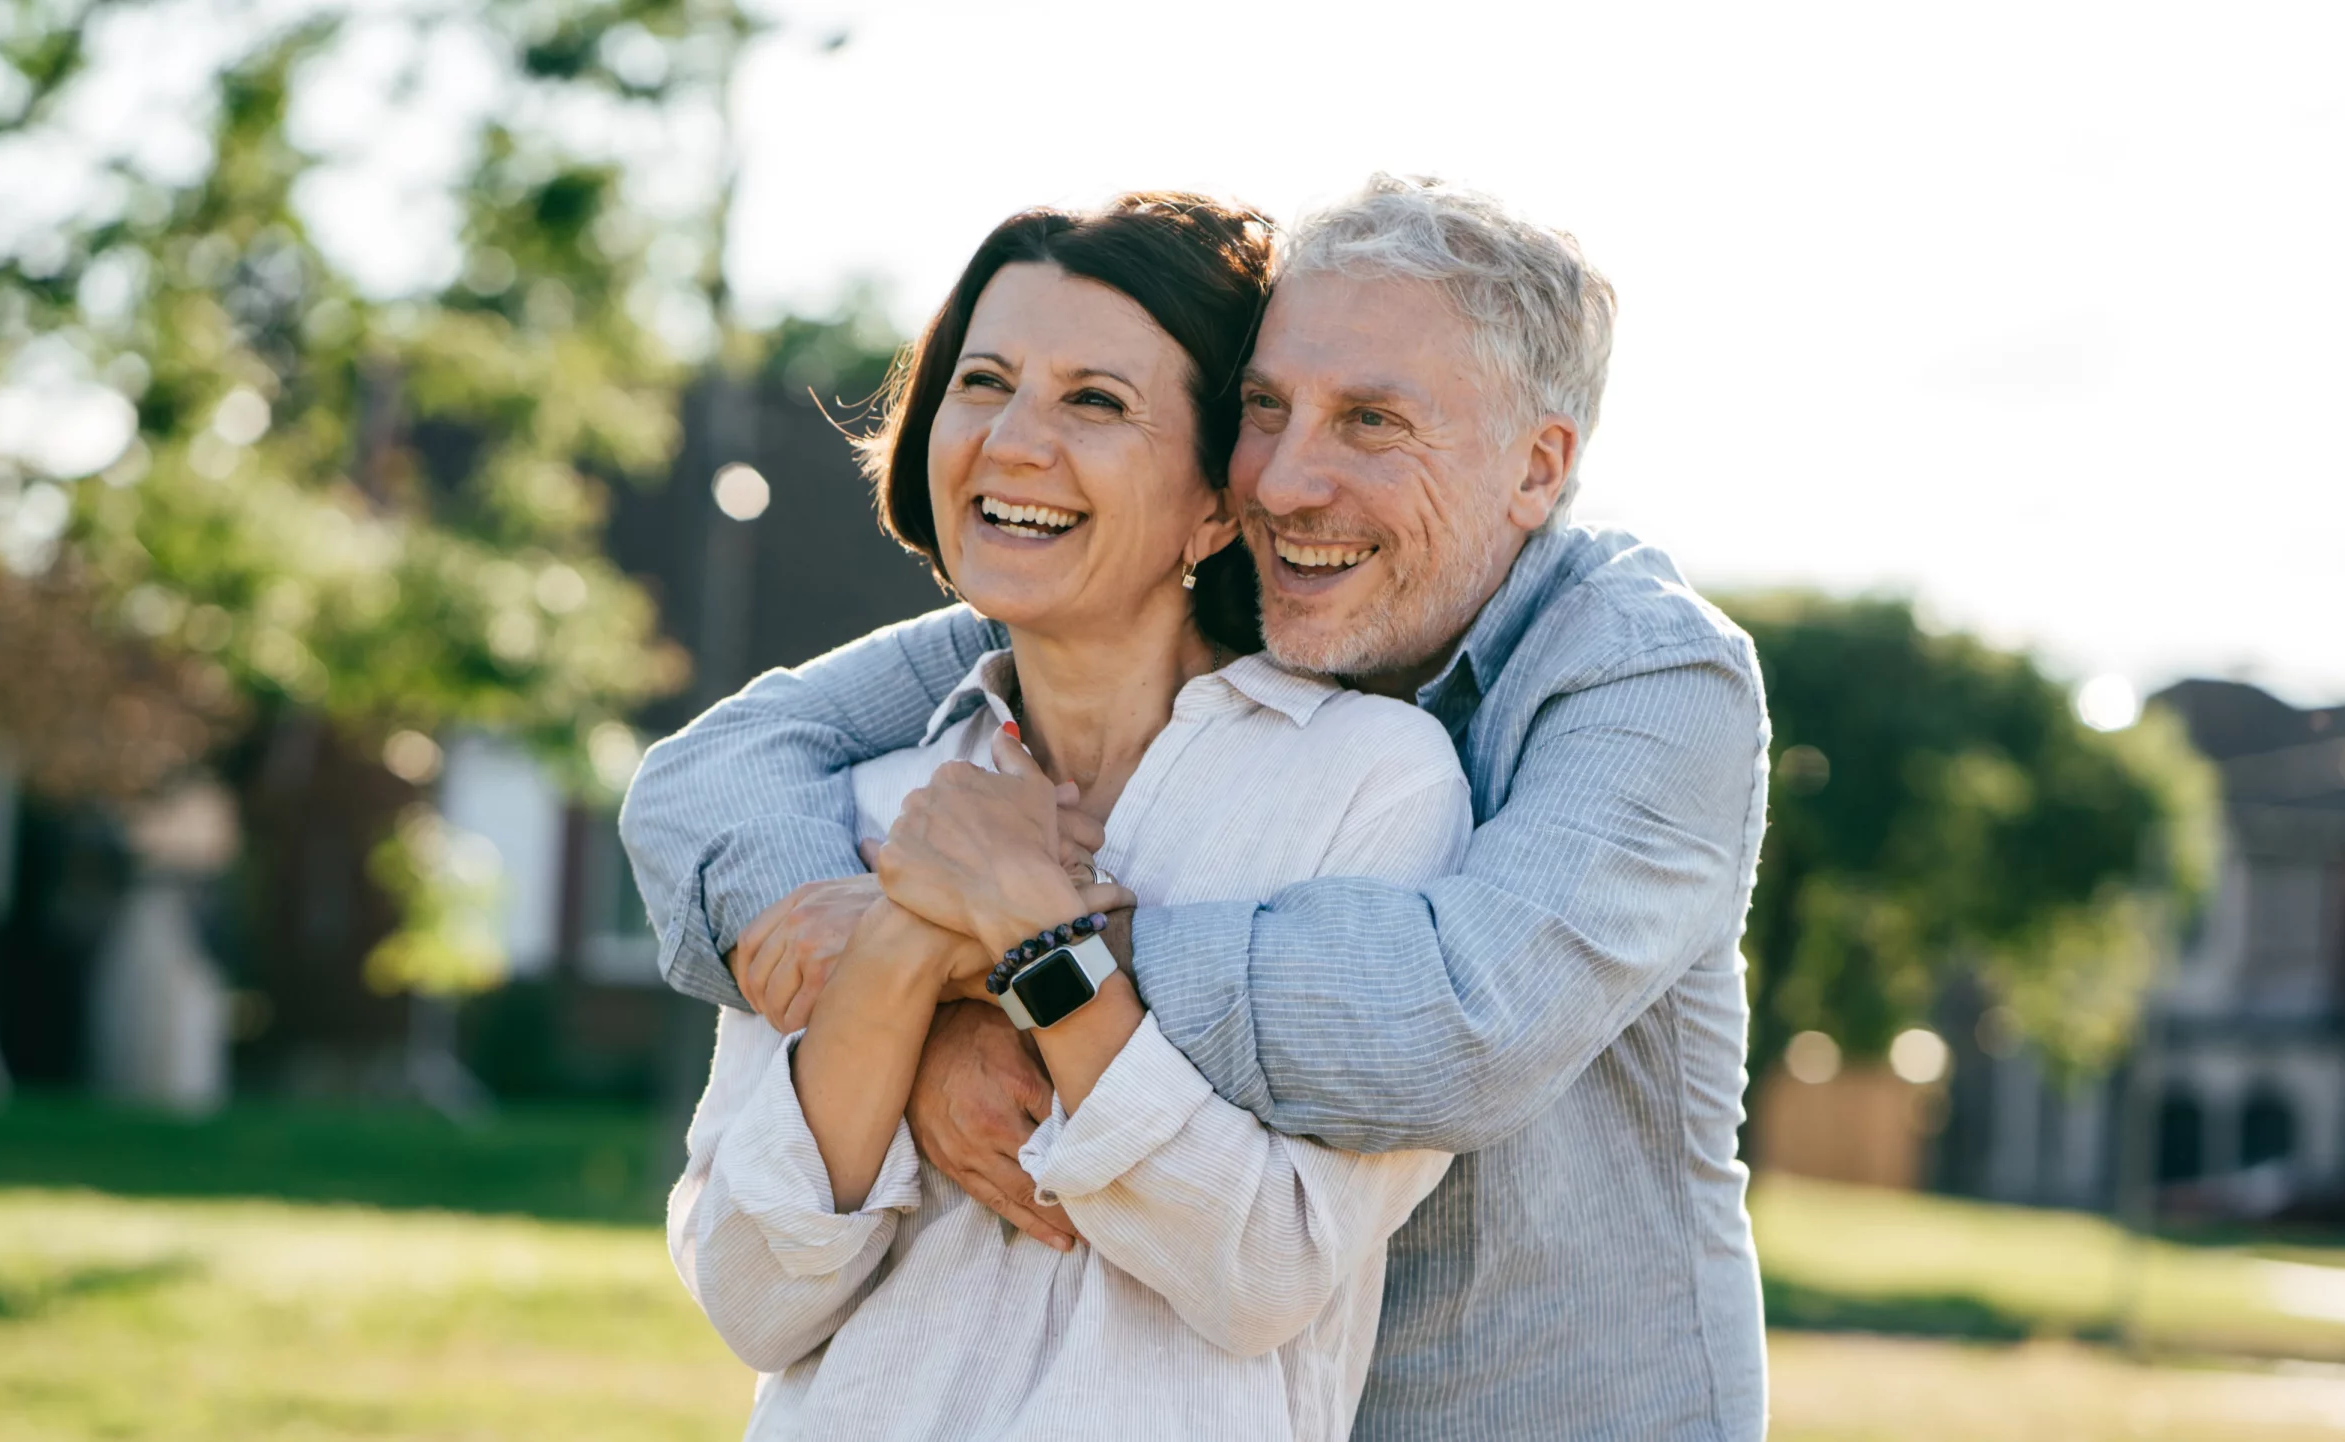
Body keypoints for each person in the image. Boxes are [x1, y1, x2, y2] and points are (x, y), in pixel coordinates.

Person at [627, 175, 1773, 1441]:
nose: (1287, 480)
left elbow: (1457, 1024)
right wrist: (905, 994)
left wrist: (1003, 953)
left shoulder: (1641, 676)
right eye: (1265, 410)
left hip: (1550, 1405)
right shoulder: (1081, 628)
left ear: (1536, 466)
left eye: (1373, 421)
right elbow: (719, 766)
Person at [665, 192, 1479, 1441]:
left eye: (1095, 401)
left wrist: (1022, 934)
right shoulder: (867, 803)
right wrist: (896, 948)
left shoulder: (1371, 784)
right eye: (984, 382)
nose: (1012, 442)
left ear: (1219, 500)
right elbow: (754, 1301)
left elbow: (1264, 1271)